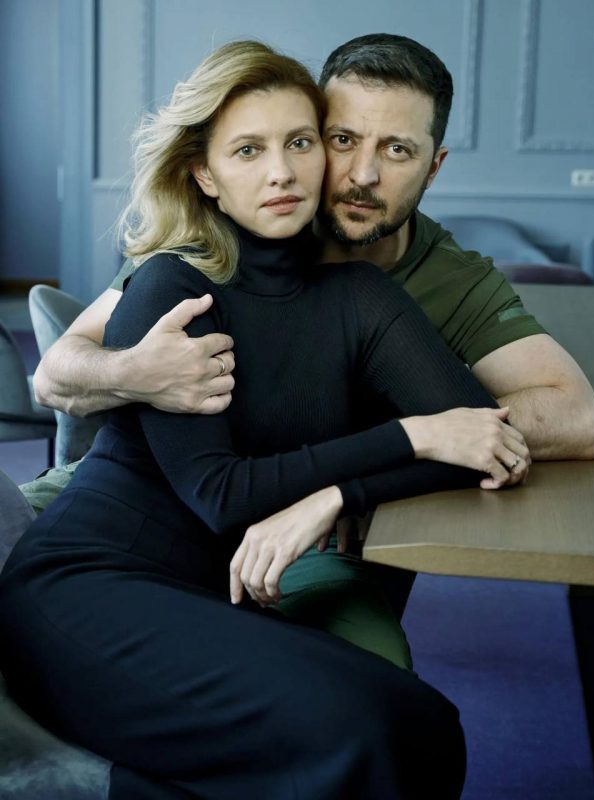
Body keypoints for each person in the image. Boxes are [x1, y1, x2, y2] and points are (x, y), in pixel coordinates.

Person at [0, 41, 529, 799]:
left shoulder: (361, 298)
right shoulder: (176, 284)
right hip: (84, 591)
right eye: (249, 150)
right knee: (364, 734)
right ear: (206, 175)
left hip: (205, 599)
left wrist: (340, 496)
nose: (281, 172)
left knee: (425, 723)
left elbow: (481, 437)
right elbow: (222, 495)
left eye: (300, 143)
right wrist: (412, 435)